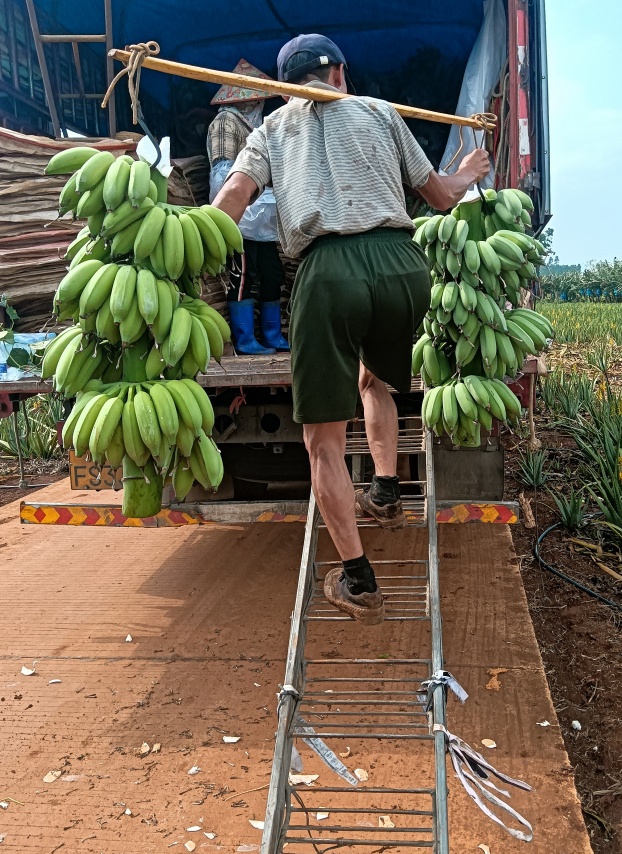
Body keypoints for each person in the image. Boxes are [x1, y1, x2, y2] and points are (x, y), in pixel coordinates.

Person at [213, 34, 490, 624]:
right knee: (377, 378)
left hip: (328, 272)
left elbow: (232, 199)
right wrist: (466, 172)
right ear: (338, 72)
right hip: (403, 267)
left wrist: (187, 238)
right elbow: (440, 198)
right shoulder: (382, 112)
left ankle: (359, 579)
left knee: (323, 443)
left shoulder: (269, 133)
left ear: (283, 86)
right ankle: (386, 488)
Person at [207, 59, 289, 354]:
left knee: (272, 273)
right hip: (239, 217)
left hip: (261, 221)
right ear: (248, 99)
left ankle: (272, 333)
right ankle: (245, 339)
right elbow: (222, 173)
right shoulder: (226, 122)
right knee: (242, 275)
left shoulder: (254, 126)